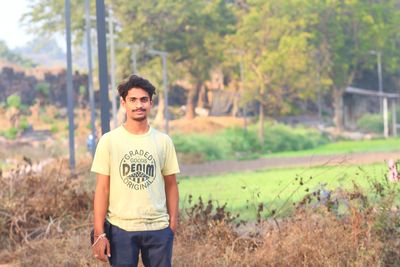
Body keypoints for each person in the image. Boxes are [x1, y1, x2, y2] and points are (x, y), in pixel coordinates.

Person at [90, 74, 180, 266]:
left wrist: (172, 224)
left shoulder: (163, 141)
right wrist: (99, 232)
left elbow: (171, 185)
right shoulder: (109, 141)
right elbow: (102, 189)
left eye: (143, 100)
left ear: (151, 103)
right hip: (121, 228)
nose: (138, 105)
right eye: (133, 100)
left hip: (158, 228)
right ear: (123, 103)